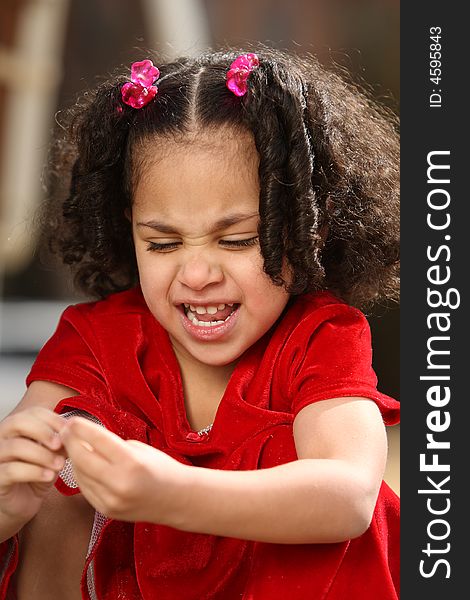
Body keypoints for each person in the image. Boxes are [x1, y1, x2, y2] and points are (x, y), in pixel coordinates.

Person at [0, 47, 400, 599]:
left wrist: (170, 493)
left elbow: (349, 495)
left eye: (236, 240)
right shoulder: (96, 341)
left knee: (303, 477)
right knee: (54, 476)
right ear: (128, 229)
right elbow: (22, 465)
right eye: (162, 243)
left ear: (308, 223)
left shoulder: (319, 337)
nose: (196, 274)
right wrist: (7, 504)